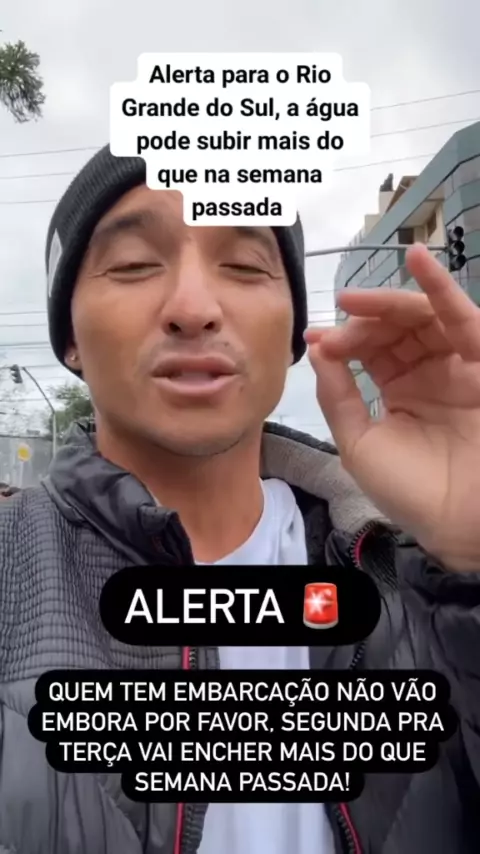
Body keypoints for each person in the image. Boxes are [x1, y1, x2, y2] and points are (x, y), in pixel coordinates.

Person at [1, 144, 479, 854]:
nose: (194, 308)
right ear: (68, 336)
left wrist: (470, 553)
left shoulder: (418, 579)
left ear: (292, 335)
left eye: (247, 266)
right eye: (132, 265)